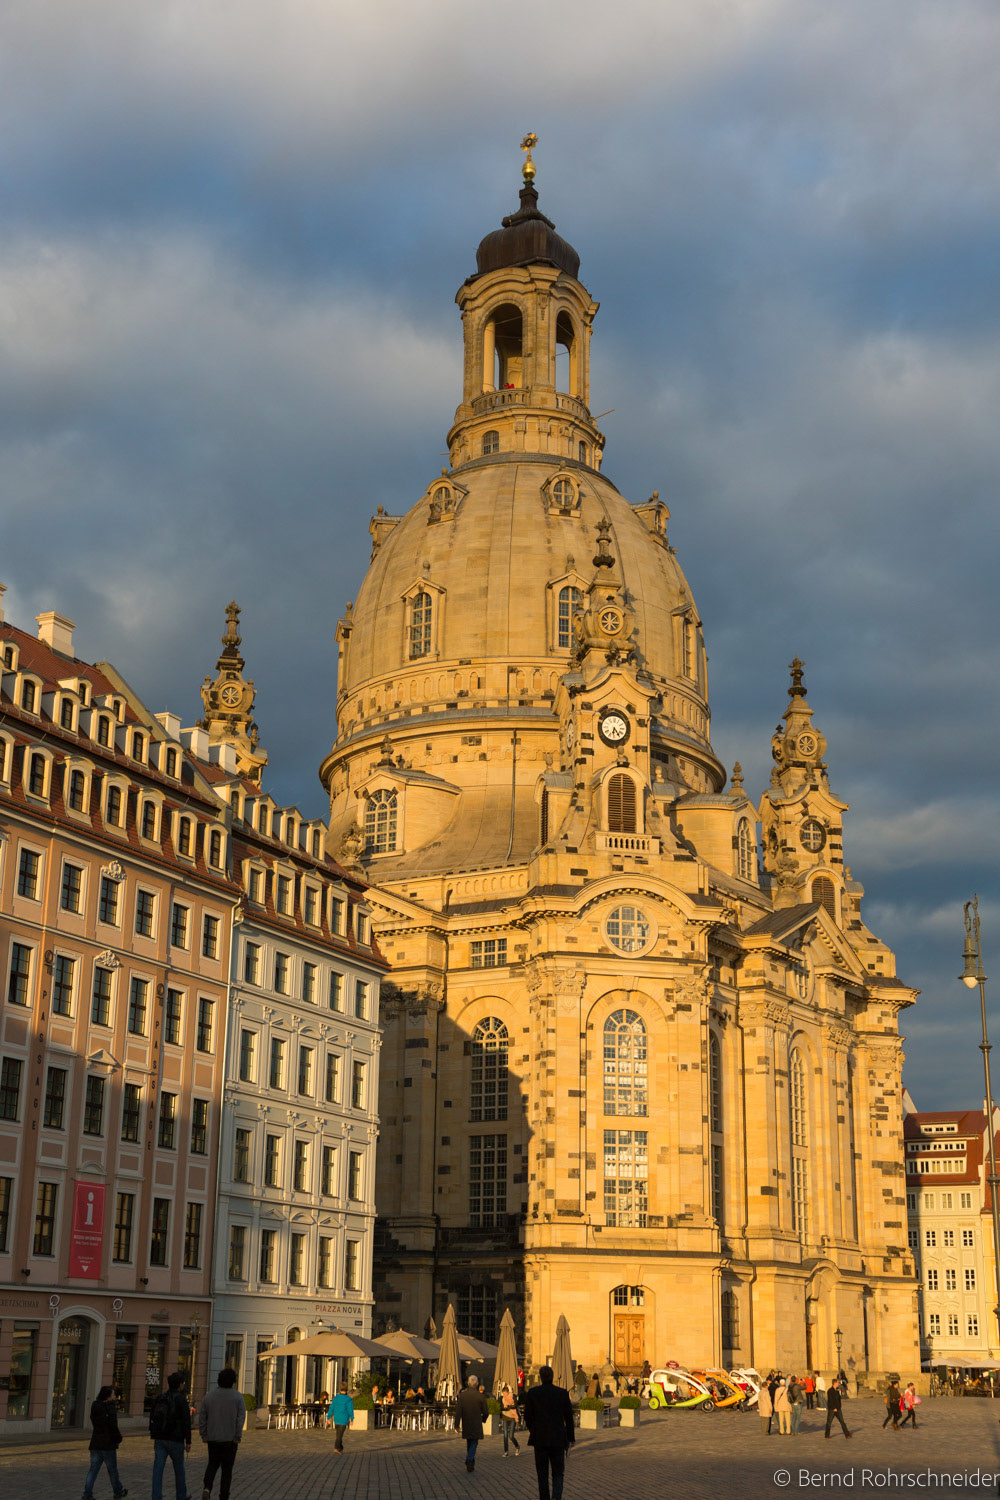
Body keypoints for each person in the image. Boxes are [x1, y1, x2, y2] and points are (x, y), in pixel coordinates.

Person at [523, 1365, 575, 1500]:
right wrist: (571, 1438)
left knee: (542, 1474)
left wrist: (532, 1429)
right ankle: (556, 1498)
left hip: (540, 1438)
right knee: (558, 1473)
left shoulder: (533, 1393)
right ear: (552, 1377)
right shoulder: (562, 1393)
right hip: (558, 1438)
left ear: (540, 1377)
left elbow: (527, 1416)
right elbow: (569, 1418)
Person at [198, 1366, 246, 1500]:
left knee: (212, 1465)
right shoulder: (237, 1397)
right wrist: (237, 1436)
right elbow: (240, 1418)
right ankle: (224, 1495)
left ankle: (207, 1487)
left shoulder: (209, 1396)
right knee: (227, 1470)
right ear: (233, 1381)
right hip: (230, 1440)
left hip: (213, 1438)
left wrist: (204, 1434)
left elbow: (202, 1417)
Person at [149, 1371, 191, 1500]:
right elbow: (186, 1421)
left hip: (160, 1438)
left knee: (158, 1470)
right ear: (180, 1385)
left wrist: (153, 1432)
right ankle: (181, 1495)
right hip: (175, 1439)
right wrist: (188, 1441)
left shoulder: (160, 1397)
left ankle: (156, 1496)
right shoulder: (181, 1399)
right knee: (179, 1469)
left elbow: (152, 1416)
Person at [83, 1385, 128, 1500]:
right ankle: (118, 1492)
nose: (114, 1396)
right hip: (108, 1444)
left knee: (93, 1471)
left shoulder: (95, 1405)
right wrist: (118, 1438)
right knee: (112, 1470)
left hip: (96, 1442)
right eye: (113, 1394)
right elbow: (113, 1426)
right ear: (108, 1396)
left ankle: (87, 1494)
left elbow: (94, 1421)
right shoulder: (110, 1407)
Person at [456, 1373, 489, 1473]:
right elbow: (486, 1411)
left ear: (468, 1383)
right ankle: (469, 1460)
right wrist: (483, 1419)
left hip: (466, 1422)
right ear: (477, 1383)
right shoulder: (480, 1396)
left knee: (469, 1442)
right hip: (476, 1422)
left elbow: (459, 1411)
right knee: (474, 1442)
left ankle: (471, 1465)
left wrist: (456, 1424)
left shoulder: (462, 1395)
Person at [328, 1383, 354, 1454]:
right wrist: (351, 1419)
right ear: (346, 1389)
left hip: (336, 1418)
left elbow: (332, 1408)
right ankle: (336, 1447)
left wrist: (328, 1417)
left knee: (339, 1434)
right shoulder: (348, 1399)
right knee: (340, 1435)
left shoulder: (336, 1398)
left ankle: (340, 1447)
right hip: (344, 1419)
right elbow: (350, 1410)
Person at [500, 1382, 521, 1457]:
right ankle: (506, 1451)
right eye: (503, 1394)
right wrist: (504, 1408)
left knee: (511, 1436)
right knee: (505, 1435)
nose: (504, 1395)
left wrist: (508, 1407)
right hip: (505, 1417)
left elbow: (515, 1405)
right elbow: (501, 1407)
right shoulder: (502, 1399)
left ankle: (517, 1446)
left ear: (508, 1392)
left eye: (505, 1393)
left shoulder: (513, 1396)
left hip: (512, 1417)